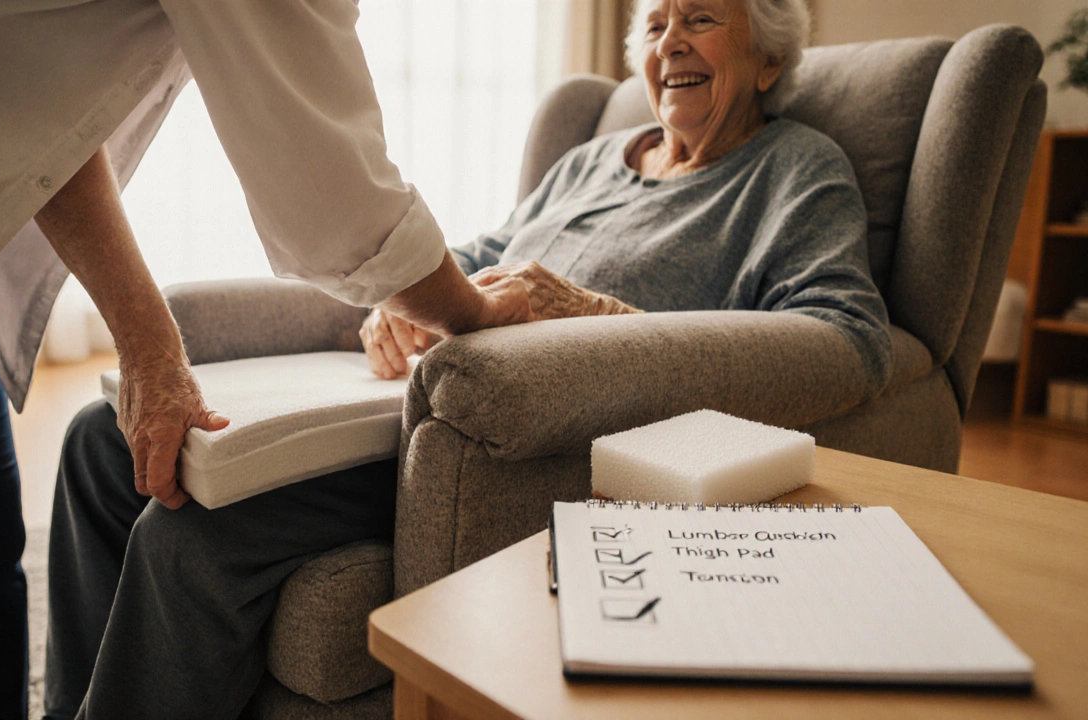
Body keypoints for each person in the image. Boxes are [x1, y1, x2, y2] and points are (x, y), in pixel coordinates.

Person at [45, 0, 892, 717]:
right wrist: (394, 301)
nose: (668, 40)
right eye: (655, 21)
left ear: (771, 58)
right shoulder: (593, 160)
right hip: (413, 402)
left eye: (701, 18)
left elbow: (848, 339)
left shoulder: (794, 170)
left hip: (521, 445)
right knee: (96, 441)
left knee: (190, 534)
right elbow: (481, 253)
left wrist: (589, 313)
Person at [0, 2, 531, 717]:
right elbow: (335, 204)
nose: (664, 42)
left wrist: (148, 340)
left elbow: (31, 115)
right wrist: (464, 308)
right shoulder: (582, 163)